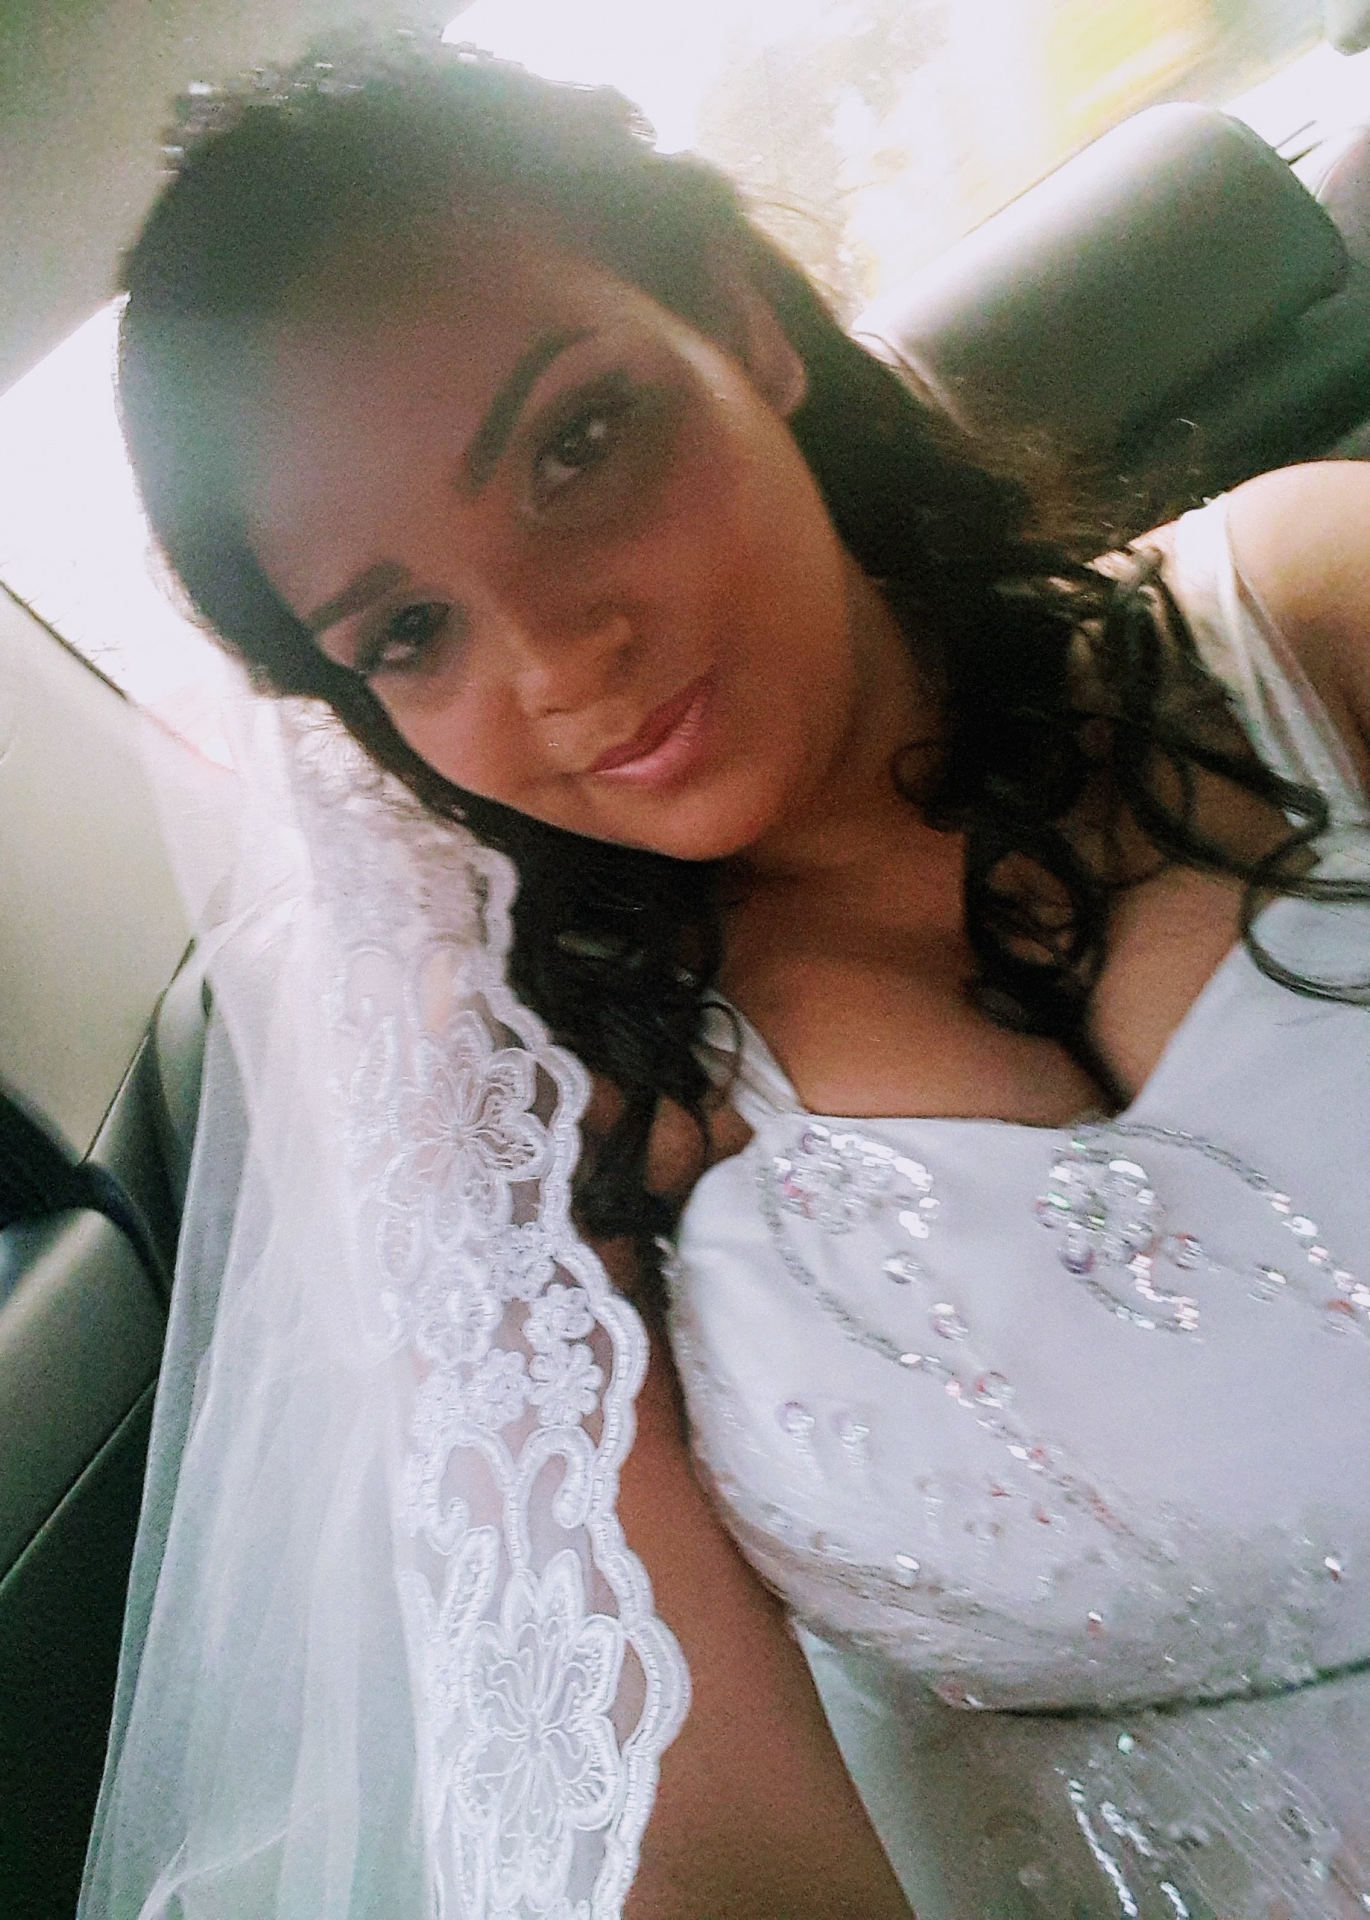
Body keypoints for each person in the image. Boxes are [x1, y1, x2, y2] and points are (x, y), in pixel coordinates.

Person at [83, 33, 1370, 1920]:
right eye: (410, 630)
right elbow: (693, 1847)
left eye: (576, 446)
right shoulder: (536, 1123)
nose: (557, 660)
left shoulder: (1312, 612)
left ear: (746, 326)